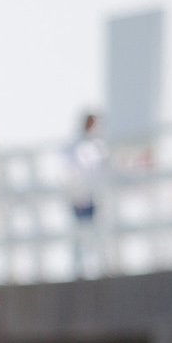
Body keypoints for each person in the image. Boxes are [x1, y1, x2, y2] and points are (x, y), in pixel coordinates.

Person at [62, 112, 106, 279]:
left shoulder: (97, 145)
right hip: (80, 198)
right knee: (80, 235)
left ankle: (99, 268)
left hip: (94, 197)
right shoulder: (77, 146)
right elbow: (70, 172)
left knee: (96, 234)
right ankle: (79, 270)